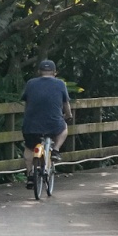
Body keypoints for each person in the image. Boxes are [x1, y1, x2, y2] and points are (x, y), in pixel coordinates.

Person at [21, 59, 72, 187]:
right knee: (64, 128)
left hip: (31, 124)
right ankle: (55, 150)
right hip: (53, 123)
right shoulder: (60, 84)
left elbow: (26, 103)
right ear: (55, 72)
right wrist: (69, 115)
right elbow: (66, 104)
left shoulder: (30, 83)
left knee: (29, 148)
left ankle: (30, 175)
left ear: (39, 72)